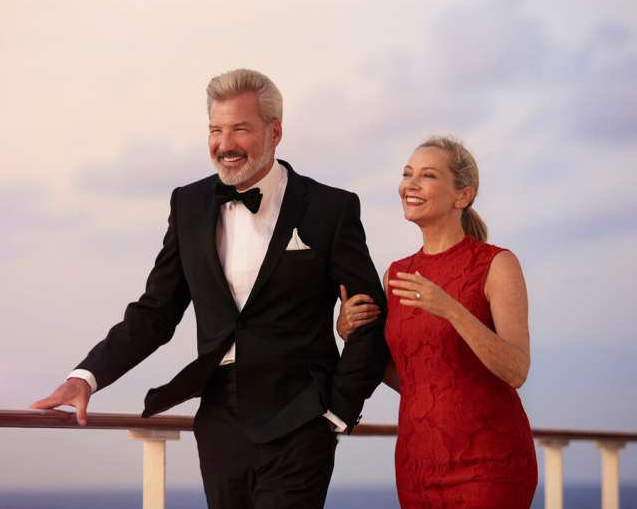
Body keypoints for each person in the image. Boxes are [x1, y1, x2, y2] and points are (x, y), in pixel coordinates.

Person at [32, 69, 389, 509]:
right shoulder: (188, 204)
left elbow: (371, 314)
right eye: (215, 130)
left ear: (275, 131)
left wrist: (337, 411)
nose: (225, 144)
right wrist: (86, 376)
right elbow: (156, 312)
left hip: (300, 417)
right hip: (219, 419)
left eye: (240, 128)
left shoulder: (330, 208)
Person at [339, 136, 537, 508]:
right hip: (418, 462)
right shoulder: (396, 275)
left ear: (462, 195)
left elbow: (517, 370)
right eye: (407, 174)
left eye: (427, 175)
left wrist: (451, 309)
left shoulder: (497, 264)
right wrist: (350, 330)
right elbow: (413, 379)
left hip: (489, 463)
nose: (409, 185)